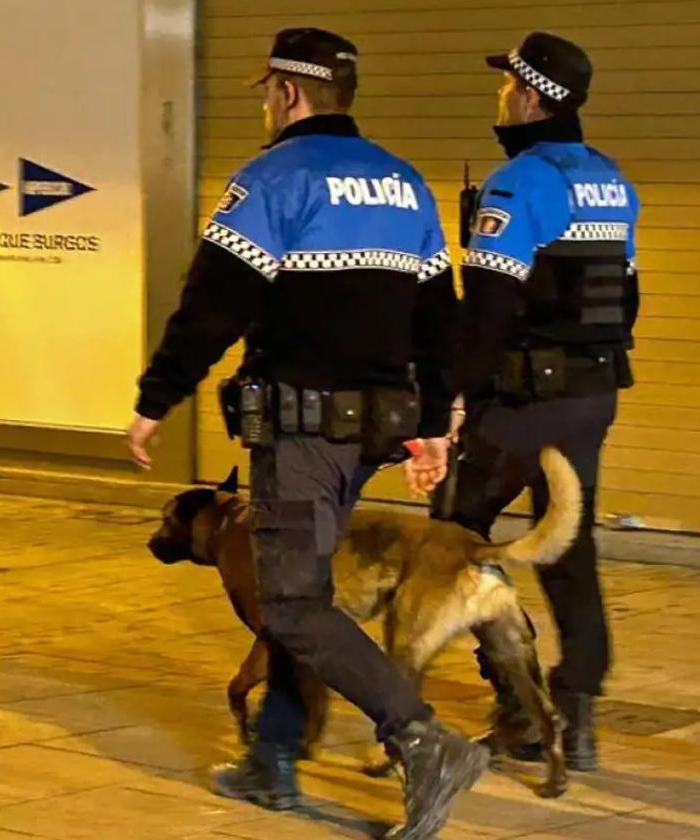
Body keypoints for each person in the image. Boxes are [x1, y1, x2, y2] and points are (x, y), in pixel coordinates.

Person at [126, 28, 487, 840]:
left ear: (287, 94)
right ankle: (274, 760)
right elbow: (440, 322)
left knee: (289, 605)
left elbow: (210, 306)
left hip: (302, 431)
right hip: (374, 431)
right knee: (305, 591)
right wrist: (432, 426)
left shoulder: (269, 180)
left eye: (265, 92)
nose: (263, 104)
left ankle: (422, 740)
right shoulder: (404, 186)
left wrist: (157, 399)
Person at [435, 31, 640, 772]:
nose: (500, 99)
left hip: (522, 401)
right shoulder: (613, 182)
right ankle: (578, 715)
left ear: (529, 95)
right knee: (566, 543)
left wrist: (454, 399)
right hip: (592, 395)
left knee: (457, 540)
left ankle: (521, 711)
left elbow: (487, 310)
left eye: (505, 87)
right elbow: (630, 296)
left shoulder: (516, 184)